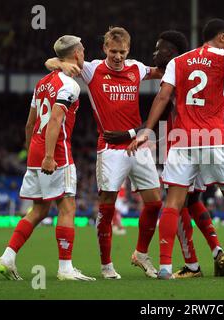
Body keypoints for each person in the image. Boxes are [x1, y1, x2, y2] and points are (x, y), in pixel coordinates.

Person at [128, 19, 224, 279]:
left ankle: (164, 267)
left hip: (181, 140)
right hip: (214, 138)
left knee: (174, 203)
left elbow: (162, 97)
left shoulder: (179, 62)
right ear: (221, 37)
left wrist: (146, 131)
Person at [104, 30, 224, 278]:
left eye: (159, 48)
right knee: (193, 201)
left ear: (172, 52)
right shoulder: (189, 70)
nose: (154, 53)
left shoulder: (176, 73)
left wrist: (134, 133)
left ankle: (191, 264)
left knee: (178, 202)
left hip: (184, 146)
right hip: (207, 140)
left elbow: (162, 110)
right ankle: (217, 251)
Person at [45, 27, 164, 279]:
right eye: (113, 51)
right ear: (104, 49)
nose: (118, 57)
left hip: (137, 144)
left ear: (128, 50)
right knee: (107, 207)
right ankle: (106, 265)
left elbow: (160, 73)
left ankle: (141, 254)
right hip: (109, 149)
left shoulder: (137, 68)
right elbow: (52, 62)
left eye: (122, 52)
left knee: (154, 203)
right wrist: (57, 63)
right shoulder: (92, 69)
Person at [0, 35, 95, 281]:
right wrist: (49, 156)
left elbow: (30, 123)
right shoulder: (69, 85)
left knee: (39, 209)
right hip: (56, 152)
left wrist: (33, 151)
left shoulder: (42, 83)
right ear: (76, 54)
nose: (84, 53)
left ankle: (7, 258)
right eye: (82, 50)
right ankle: (65, 268)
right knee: (67, 206)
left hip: (36, 151)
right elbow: (55, 120)